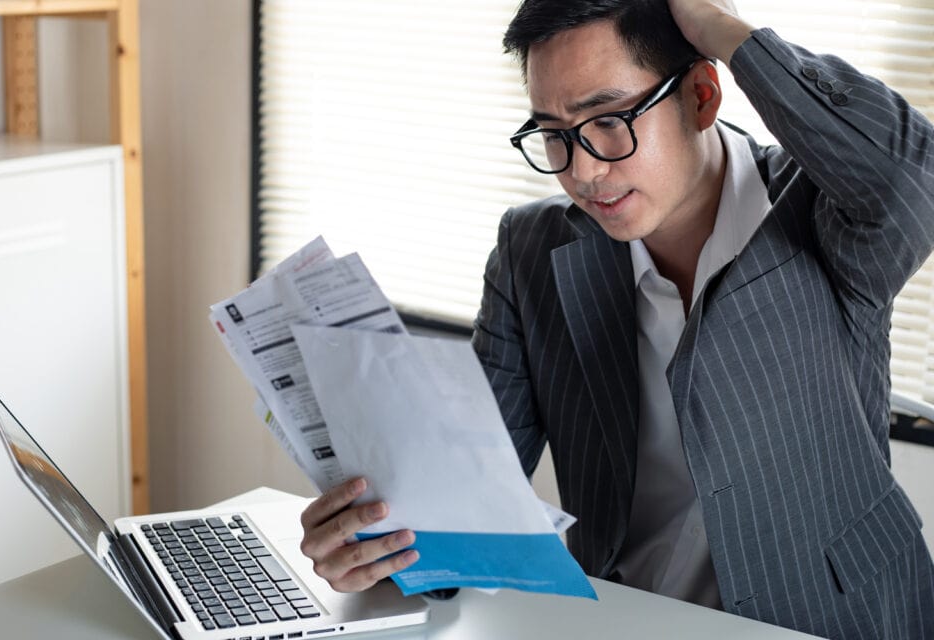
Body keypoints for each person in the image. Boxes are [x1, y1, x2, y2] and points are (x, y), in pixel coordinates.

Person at [297, 0, 934, 637]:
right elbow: (469, 503)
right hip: (626, 622)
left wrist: (728, 32)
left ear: (702, 96)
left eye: (608, 122)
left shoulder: (825, 209)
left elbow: (913, 177)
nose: (583, 170)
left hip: (841, 620)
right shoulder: (532, 252)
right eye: (554, 133)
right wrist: (378, 550)